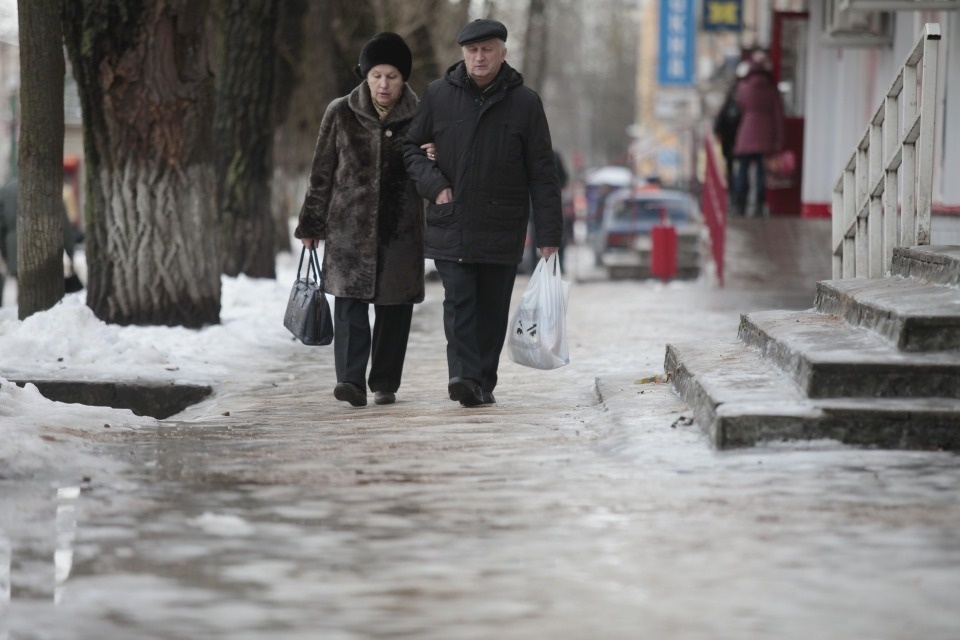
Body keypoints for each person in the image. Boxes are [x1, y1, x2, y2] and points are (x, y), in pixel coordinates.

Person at [403, 18, 563, 407]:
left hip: (501, 225)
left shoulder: (525, 103)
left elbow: (543, 174)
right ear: (463, 54)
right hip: (451, 219)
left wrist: (548, 236)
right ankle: (462, 376)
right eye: (472, 50)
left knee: (491, 309)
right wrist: (435, 185)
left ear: (503, 53)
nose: (479, 57)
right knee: (458, 302)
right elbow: (410, 149)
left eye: (487, 49)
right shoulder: (438, 95)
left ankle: (482, 381)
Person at [294, 32, 424, 408]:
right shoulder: (340, 111)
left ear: (404, 79)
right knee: (350, 305)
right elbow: (321, 171)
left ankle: (384, 382)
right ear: (365, 76)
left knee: (394, 308)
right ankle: (350, 381)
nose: (383, 84)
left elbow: (435, 168)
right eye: (376, 75)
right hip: (348, 229)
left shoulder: (421, 115)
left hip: (400, 230)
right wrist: (311, 224)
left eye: (392, 76)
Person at [0, 177, 79, 306]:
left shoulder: (6, 190)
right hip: (45, 245)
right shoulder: (48, 187)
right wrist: (70, 253)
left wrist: (5, 252)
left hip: (15, 248)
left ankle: (26, 312)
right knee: (46, 287)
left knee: (24, 287)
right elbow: (63, 223)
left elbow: (1, 226)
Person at [731, 50, 784, 218]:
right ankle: (760, 203)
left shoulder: (743, 87)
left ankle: (740, 202)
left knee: (743, 170)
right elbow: (778, 115)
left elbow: (740, 107)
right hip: (765, 133)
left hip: (746, 132)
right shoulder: (770, 89)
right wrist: (779, 140)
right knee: (762, 171)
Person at [712, 77, 741, 195]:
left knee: (731, 167)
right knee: (743, 167)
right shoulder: (742, 105)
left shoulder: (727, 105)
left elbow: (718, 123)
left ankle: (733, 192)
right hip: (741, 142)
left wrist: (719, 135)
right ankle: (739, 192)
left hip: (728, 143)